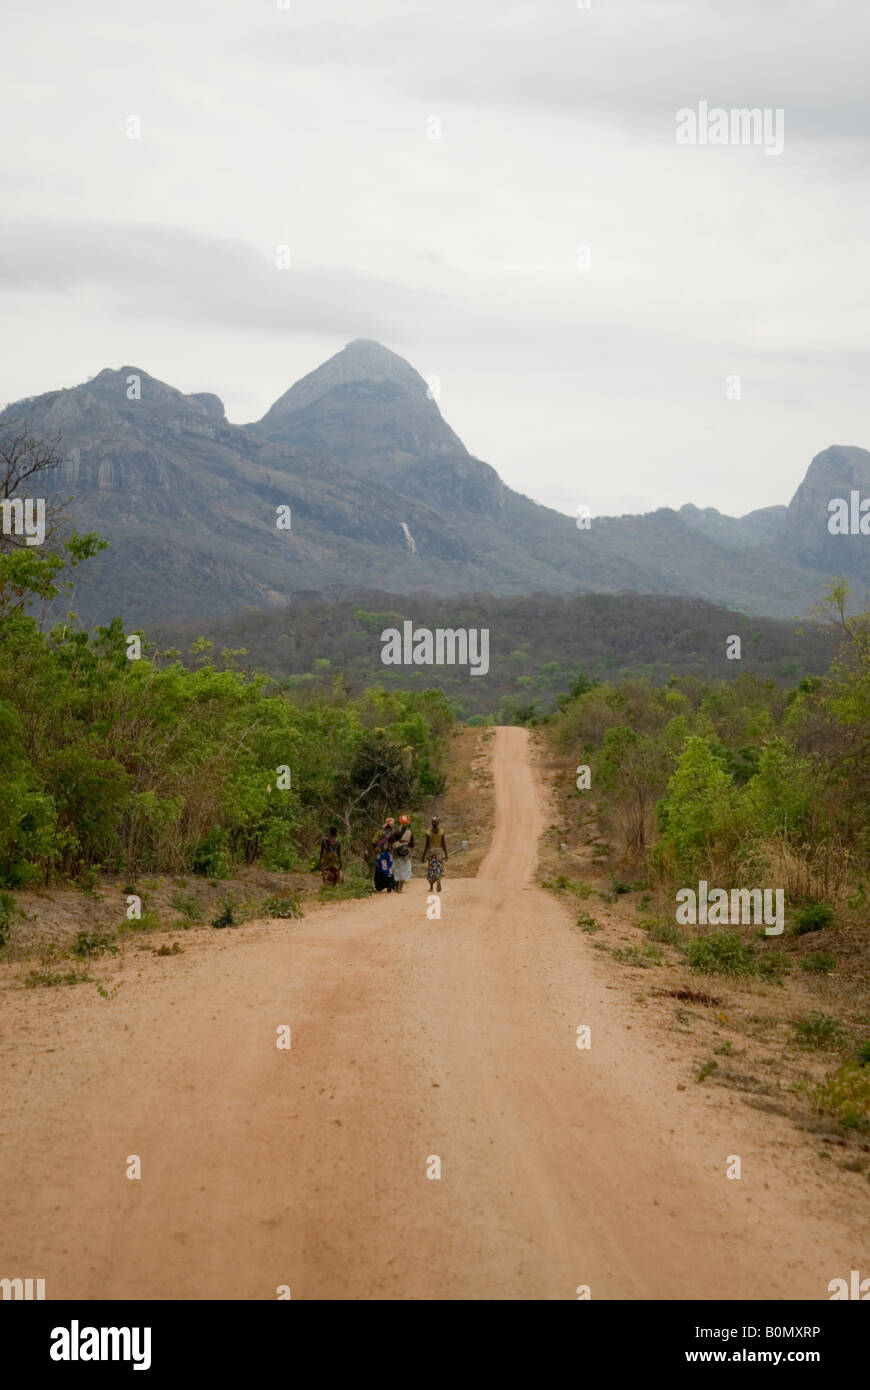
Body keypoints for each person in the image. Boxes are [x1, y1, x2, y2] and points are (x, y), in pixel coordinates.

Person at [421, 816, 448, 892]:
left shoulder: (428, 833)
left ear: (432, 824)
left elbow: (426, 845)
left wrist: (423, 856)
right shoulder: (442, 832)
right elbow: (444, 844)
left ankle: (431, 887)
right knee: (439, 866)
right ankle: (438, 878)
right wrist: (446, 855)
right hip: (439, 852)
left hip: (431, 852)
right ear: (438, 823)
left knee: (431, 869)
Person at [390, 814, 414, 893]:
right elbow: (412, 845)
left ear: (400, 822)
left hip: (396, 853)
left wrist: (398, 844)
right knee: (405, 870)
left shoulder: (395, 832)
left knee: (396, 869)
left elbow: (391, 840)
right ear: (408, 823)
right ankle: (400, 888)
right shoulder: (409, 833)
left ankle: (396, 887)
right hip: (405, 854)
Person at [372, 817, 396, 893]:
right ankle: (390, 885)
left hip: (381, 854)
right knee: (389, 869)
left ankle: (380, 886)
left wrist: (377, 847)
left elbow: (373, 841)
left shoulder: (380, 832)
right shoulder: (393, 833)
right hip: (390, 854)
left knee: (380, 868)